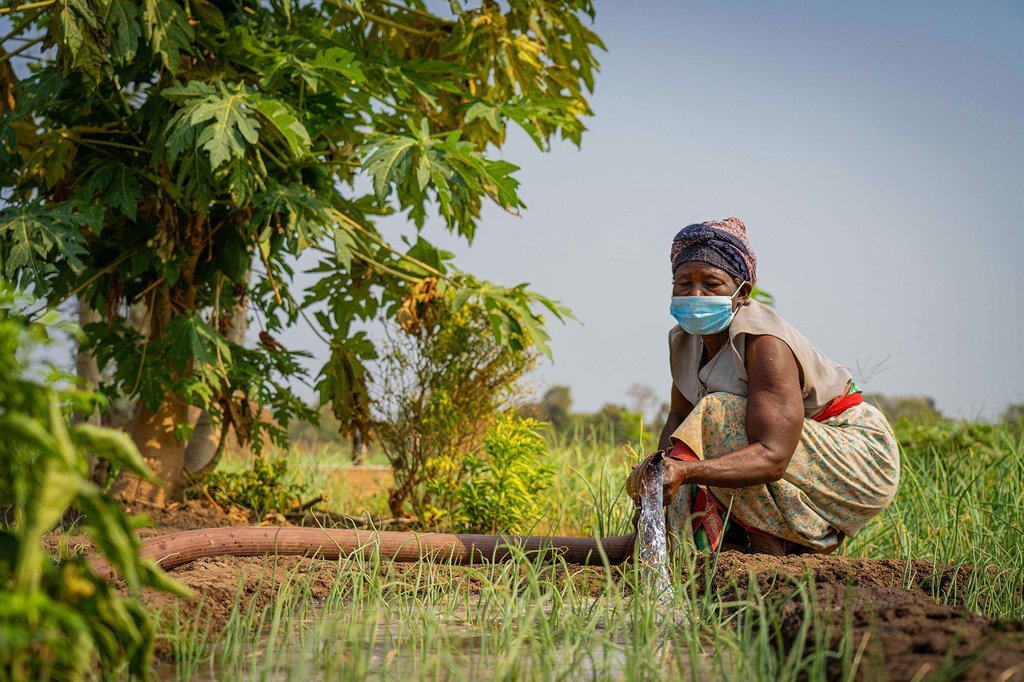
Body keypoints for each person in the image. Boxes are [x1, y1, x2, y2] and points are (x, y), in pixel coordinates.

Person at [631, 218, 900, 556]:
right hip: (797, 450)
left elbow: (773, 458)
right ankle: (714, 550)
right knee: (683, 450)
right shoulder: (683, 342)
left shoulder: (764, 343)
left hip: (857, 456)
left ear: (741, 293)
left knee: (717, 414)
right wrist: (657, 478)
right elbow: (678, 421)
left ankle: (772, 548)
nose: (695, 294)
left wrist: (685, 471)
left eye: (711, 283)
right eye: (684, 283)